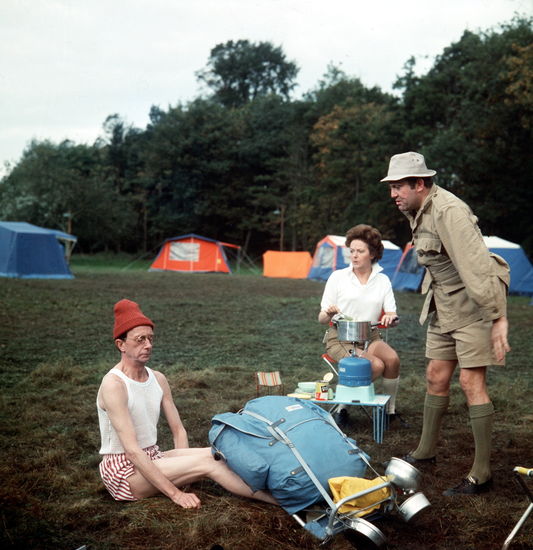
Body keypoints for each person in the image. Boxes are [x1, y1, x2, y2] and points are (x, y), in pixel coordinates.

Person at [381, 151, 510, 496]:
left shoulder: (449, 211)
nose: (393, 194)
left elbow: (477, 267)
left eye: (398, 187)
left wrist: (498, 318)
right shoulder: (418, 210)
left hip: (474, 305)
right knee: (436, 376)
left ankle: (482, 475)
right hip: (444, 304)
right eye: (391, 187)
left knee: (471, 383)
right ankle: (426, 450)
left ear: (419, 184)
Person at [97, 298, 278, 509]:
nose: (148, 345)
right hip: (125, 473)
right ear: (121, 344)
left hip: (153, 456)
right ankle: (287, 503)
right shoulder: (114, 384)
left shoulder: (158, 378)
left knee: (221, 452)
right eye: (140, 339)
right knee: (209, 464)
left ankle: (290, 486)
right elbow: (132, 451)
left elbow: (179, 431)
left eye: (150, 338)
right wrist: (176, 494)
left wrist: (185, 478)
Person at [318, 224, 402, 420]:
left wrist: (391, 319)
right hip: (340, 336)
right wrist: (329, 314)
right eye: (352, 251)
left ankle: (390, 411)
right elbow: (321, 319)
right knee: (375, 365)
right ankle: (342, 408)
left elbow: (393, 316)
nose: (354, 255)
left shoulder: (382, 280)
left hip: (370, 334)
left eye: (360, 251)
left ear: (372, 254)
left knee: (392, 360)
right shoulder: (337, 277)